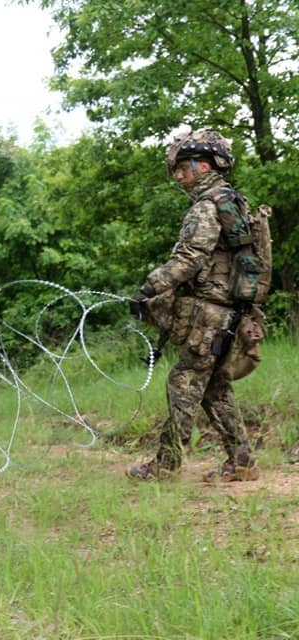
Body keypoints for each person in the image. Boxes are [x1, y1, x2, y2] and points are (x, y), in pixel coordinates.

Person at [127, 128, 259, 483]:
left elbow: (189, 259)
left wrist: (148, 289)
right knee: (215, 388)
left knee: (182, 381)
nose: (179, 177)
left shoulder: (206, 206)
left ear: (203, 166)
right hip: (229, 312)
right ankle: (243, 461)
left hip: (210, 315)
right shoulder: (233, 202)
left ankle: (166, 466)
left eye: (183, 169)